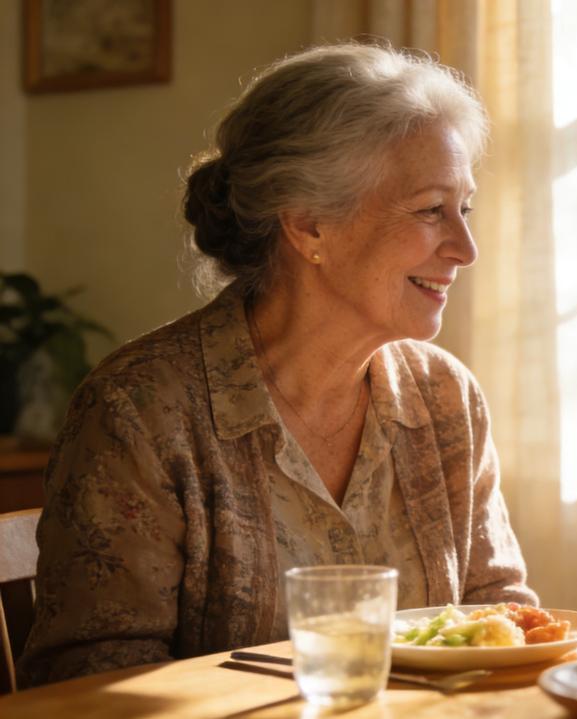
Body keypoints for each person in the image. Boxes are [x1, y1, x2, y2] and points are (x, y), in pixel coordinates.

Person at [19, 43, 536, 687]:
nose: (466, 247)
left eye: (465, 208)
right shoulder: (141, 410)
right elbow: (89, 679)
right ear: (309, 225)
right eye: (432, 209)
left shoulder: (444, 396)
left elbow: (501, 617)